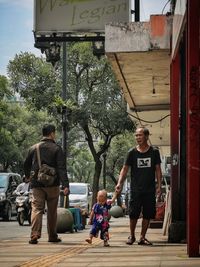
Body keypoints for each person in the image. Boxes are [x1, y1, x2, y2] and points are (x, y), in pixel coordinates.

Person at [115, 127, 162, 246]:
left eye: (140, 135)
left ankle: (142, 237)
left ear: (146, 136)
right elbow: (124, 169)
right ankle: (132, 236)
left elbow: (158, 170)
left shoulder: (154, 152)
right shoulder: (131, 152)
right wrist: (119, 183)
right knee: (133, 213)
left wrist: (159, 186)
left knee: (148, 213)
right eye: (136, 135)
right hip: (136, 189)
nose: (138, 138)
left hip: (149, 188)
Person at [24, 124, 69, 244]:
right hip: (52, 184)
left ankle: (34, 234)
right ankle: (52, 236)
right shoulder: (57, 149)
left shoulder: (33, 148)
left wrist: (28, 176)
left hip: (36, 184)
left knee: (37, 208)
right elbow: (61, 168)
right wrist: (65, 185)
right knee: (52, 211)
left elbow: (26, 164)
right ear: (52, 134)